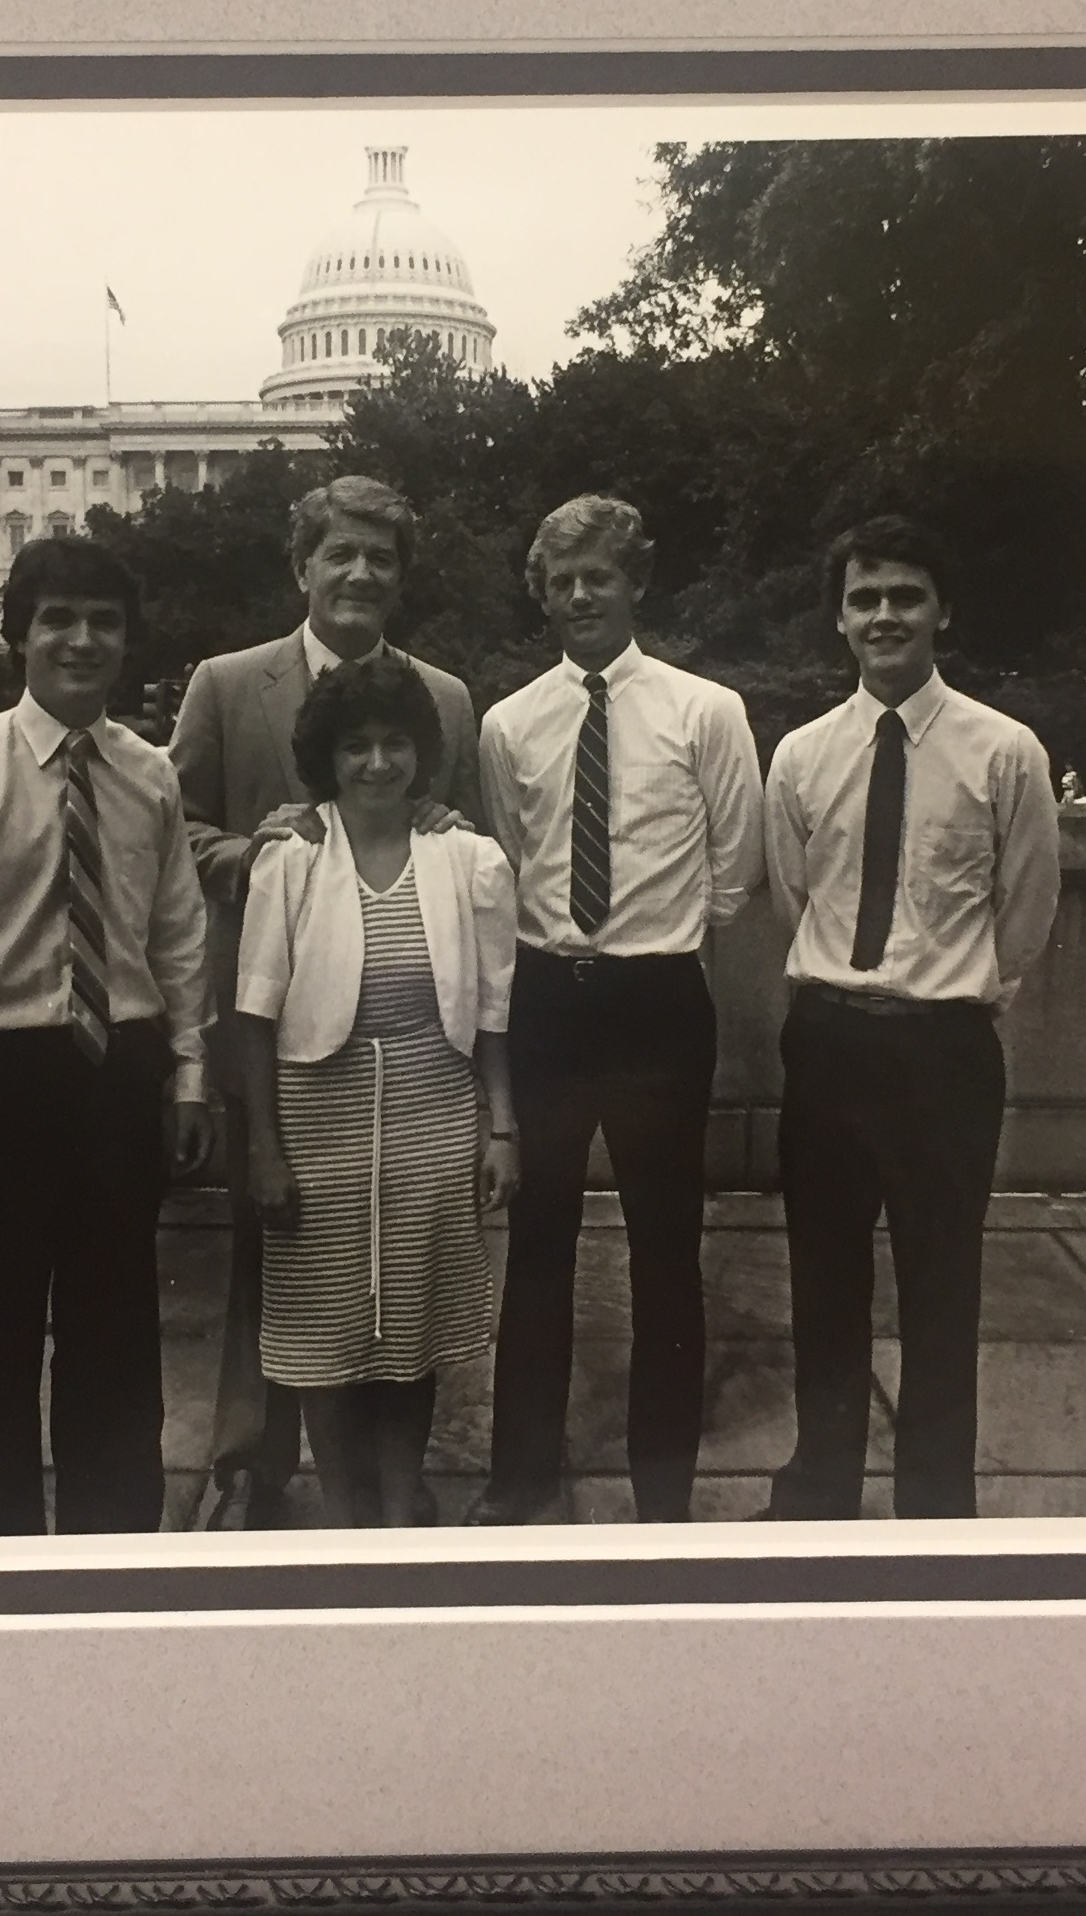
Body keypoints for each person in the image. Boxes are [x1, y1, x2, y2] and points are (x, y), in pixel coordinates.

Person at [0, 535, 214, 1535]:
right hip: (1, 1083)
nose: (81, 639)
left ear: (127, 642)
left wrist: (189, 1075)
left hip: (118, 1083)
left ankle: (117, 1566)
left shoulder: (149, 774)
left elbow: (178, 932)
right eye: (57, 619)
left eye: (103, 621)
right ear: (16, 633)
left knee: (117, 1345)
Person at [169, 474, 482, 1530]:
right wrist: (249, 854)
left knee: (392, 1250)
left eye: (380, 558)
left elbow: (456, 836)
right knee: (274, 1240)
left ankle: (388, 1473)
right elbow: (176, 826)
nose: (359, 573)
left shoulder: (442, 699)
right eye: (339, 553)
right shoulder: (226, 683)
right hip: (274, 1017)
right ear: (301, 565)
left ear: (401, 578)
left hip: (403, 1032)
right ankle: (250, 1460)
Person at [763, 513, 1061, 1520]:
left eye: (905, 595)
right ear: (839, 622)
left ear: (942, 610)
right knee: (824, 1280)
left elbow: (1023, 913)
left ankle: (937, 1511)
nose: (884, 614)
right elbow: (794, 895)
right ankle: (820, 1492)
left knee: (942, 1286)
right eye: (864, 598)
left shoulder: (1005, 751)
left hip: (944, 1051)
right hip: (830, 1042)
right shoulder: (802, 756)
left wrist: (943, 990)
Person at [473, 495, 763, 1525]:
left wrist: (657, 941)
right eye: (561, 580)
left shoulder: (706, 711)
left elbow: (735, 868)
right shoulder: (509, 724)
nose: (581, 594)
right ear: (542, 595)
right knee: (538, 1248)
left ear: (638, 582)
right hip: (552, 999)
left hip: (656, 1001)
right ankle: (518, 1479)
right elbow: (511, 857)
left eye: (600, 574)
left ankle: (664, 1486)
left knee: (665, 1250)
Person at [227, 658, 520, 1527]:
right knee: (325, 1332)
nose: (378, 763)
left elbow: (496, 1011)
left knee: (413, 1330)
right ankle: (347, 1511)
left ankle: (399, 1508)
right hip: (320, 1116)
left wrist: (500, 1126)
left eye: (396, 743)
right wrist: (264, 1149)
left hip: (435, 1110)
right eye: (356, 746)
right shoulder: (289, 858)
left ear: (420, 753)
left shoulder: (468, 856)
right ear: (328, 756)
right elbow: (252, 1012)